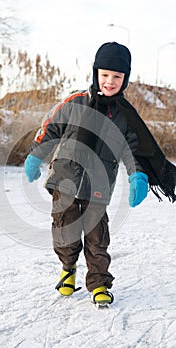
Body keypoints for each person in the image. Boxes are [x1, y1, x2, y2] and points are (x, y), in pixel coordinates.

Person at [24, 42, 176, 306]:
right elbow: (50, 127)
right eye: (105, 75)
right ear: (95, 73)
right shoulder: (75, 101)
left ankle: (99, 283)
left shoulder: (125, 116)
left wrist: (137, 175)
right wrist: (35, 154)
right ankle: (68, 268)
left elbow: (134, 149)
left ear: (125, 79)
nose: (109, 81)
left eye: (117, 77)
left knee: (97, 238)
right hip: (64, 179)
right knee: (64, 232)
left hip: (99, 186)